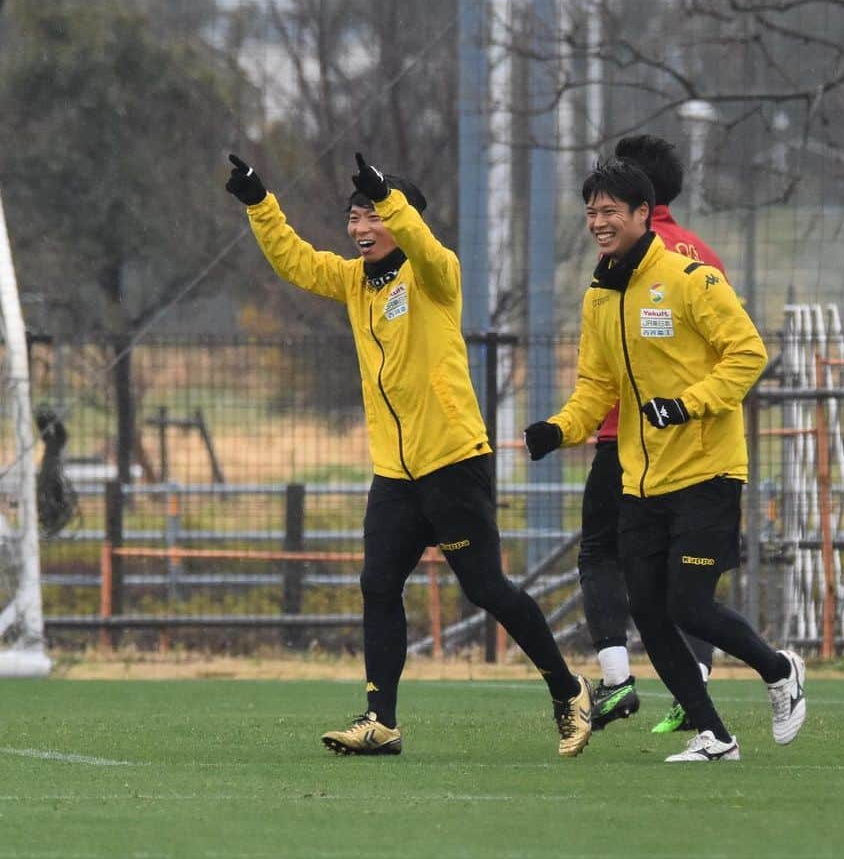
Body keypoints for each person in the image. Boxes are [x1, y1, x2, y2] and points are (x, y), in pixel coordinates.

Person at [224, 150, 592, 759]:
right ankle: (381, 720)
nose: (361, 228)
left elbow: (428, 250)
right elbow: (296, 261)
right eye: (355, 217)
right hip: (395, 472)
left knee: (486, 590)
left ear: (405, 220)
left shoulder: (434, 275)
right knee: (377, 583)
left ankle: (568, 688)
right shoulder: (353, 282)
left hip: (452, 459)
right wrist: (260, 202)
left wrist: (389, 196)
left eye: (373, 215)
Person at [524, 155, 805, 763]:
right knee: (648, 613)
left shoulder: (690, 280)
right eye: (591, 211)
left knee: (688, 605)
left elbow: (748, 353)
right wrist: (559, 429)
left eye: (609, 211)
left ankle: (779, 668)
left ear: (641, 214)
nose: (598, 222)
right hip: (640, 480)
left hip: (708, 470)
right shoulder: (600, 295)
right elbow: (596, 389)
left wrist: (688, 405)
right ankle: (715, 737)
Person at [579, 135, 726, 735]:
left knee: (600, 551)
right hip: (693, 440)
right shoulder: (703, 253)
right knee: (688, 568)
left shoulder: (621, 259)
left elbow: (602, 361)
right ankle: (693, 690)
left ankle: (617, 682)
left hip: (625, 437)